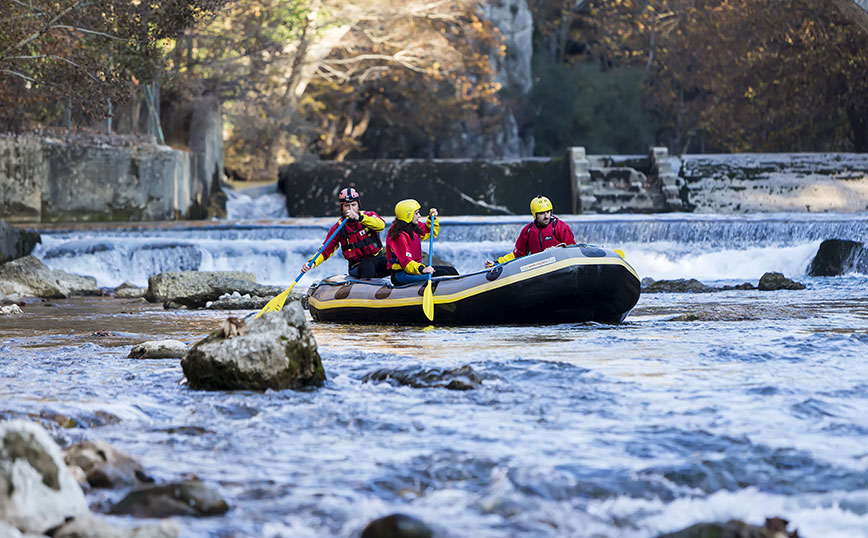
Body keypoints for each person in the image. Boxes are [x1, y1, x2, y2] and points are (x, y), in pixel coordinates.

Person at [301, 187, 389, 279]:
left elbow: (381, 225)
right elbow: (326, 249)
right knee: (368, 268)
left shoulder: (369, 216)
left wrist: (359, 218)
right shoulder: (338, 228)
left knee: (394, 263)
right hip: (357, 266)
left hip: (377, 259)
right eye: (347, 206)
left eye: (353, 205)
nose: (350, 209)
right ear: (342, 207)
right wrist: (312, 262)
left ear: (358, 205)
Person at [486, 195, 576, 267]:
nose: (546, 216)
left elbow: (573, 250)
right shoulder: (528, 231)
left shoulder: (561, 227)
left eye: (548, 212)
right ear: (535, 214)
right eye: (542, 213)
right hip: (538, 270)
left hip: (559, 267)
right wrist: (497, 263)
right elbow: (517, 255)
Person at [385, 199, 459, 285]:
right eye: (416, 213)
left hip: (413, 270)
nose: (419, 216)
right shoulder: (398, 235)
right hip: (401, 275)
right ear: (408, 215)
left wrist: (432, 218)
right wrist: (422, 269)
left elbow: (430, 232)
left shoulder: (411, 227)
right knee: (443, 274)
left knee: (451, 270)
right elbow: (406, 262)